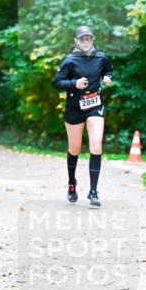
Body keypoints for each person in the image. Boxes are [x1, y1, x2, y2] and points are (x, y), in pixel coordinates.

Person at [51, 25, 113, 207]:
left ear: (93, 40)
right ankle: (72, 183)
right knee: (75, 148)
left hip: (94, 105)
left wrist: (108, 78)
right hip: (74, 107)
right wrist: (73, 83)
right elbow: (56, 82)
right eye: (82, 38)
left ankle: (93, 191)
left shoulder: (101, 57)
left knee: (96, 145)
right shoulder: (70, 60)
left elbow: (108, 70)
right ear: (76, 41)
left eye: (89, 38)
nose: (86, 41)